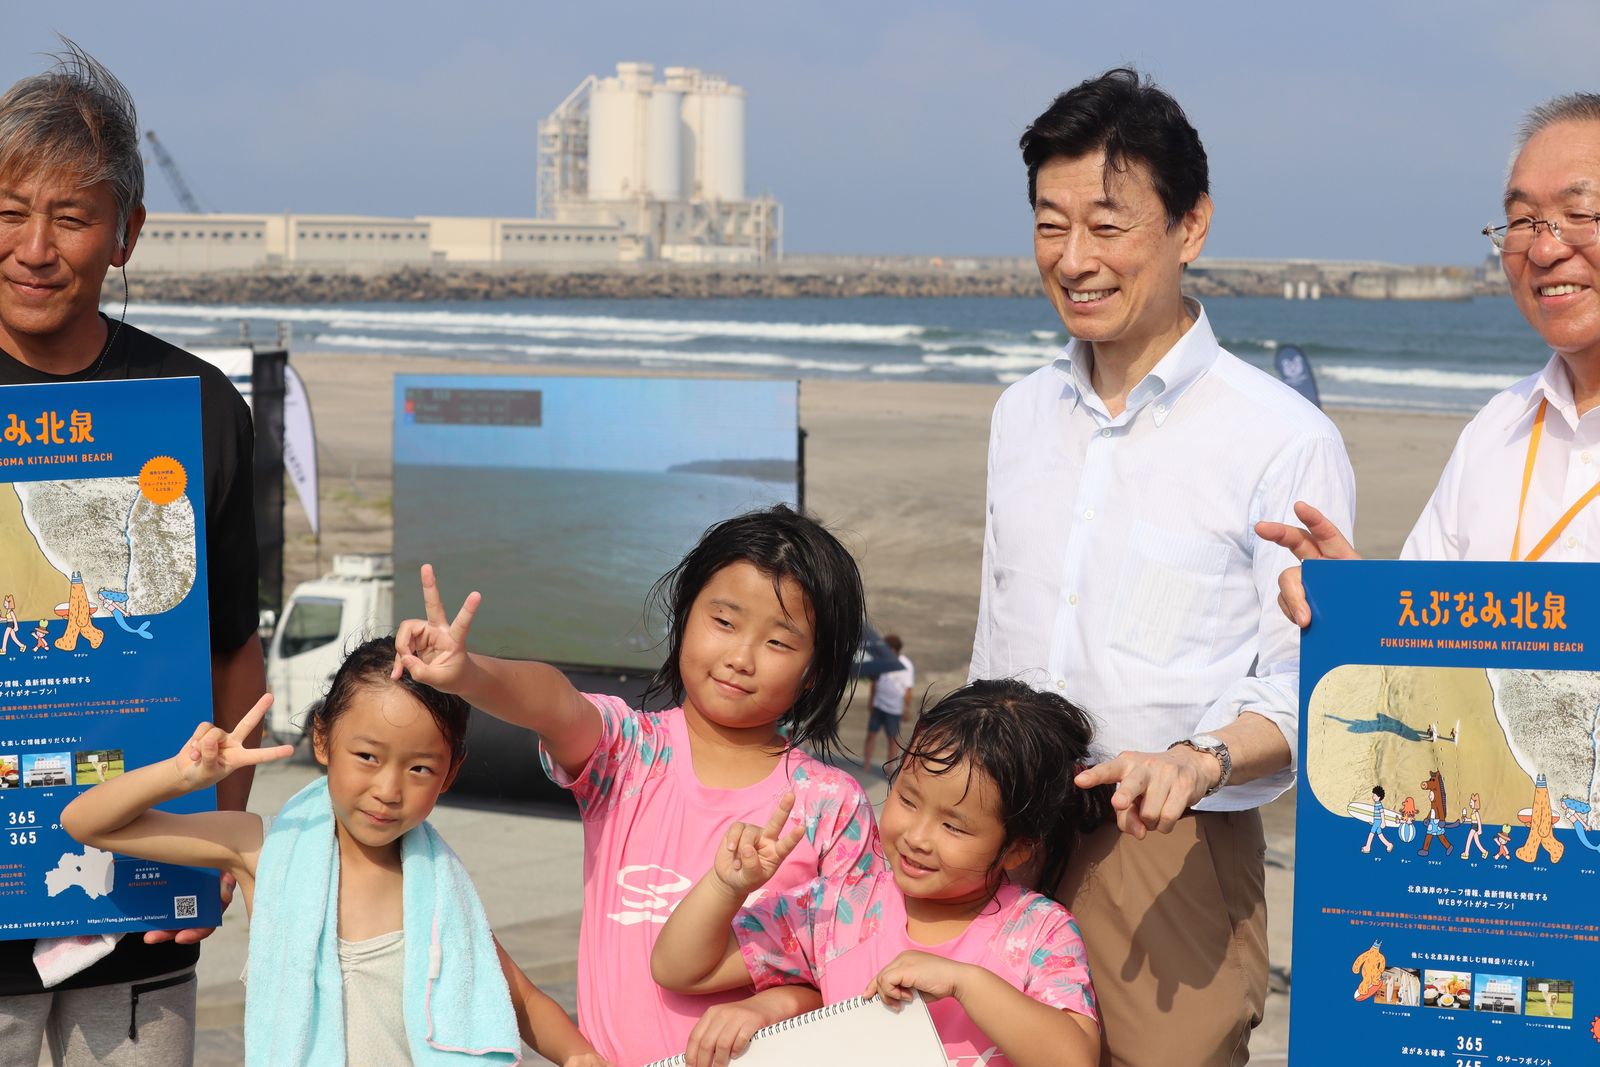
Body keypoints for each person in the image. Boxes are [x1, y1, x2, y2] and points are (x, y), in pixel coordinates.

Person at [968, 68, 1356, 1066]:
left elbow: (1313, 685)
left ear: (1191, 225)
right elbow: (994, 632)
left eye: (1107, 225)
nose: (1073, 259)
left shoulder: (1282, 437)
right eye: (1050, 225)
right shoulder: (1018, 413)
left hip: (1169, 851)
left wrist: (1196, 760)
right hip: (1005, 829)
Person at [0, 42, 267, 1066]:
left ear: (127, 234)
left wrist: (218, 843)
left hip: (137, 921)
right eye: (10, 212)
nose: (34, 247)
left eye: (70, 216)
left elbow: (232, 645)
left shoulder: (198, 407)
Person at [393, 504, 873, 1067]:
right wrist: (470, 674)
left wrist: (776, 1004)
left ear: (815, 671)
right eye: (724, 622)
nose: (741, 658)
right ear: (684, 615)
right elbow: (555, 703)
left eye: (779, 643)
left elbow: (860, 975)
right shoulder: (630, 754)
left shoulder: (832, 806)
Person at [60, 636, 608, 1067]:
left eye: (420, 768)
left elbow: (523, 1001)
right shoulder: (264, 848)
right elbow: (85, 822)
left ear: (450, 773)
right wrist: (183, 775)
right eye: (367, 756)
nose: (388, 790)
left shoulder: (442, 896)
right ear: (322, 740)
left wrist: (579, 1056)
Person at [652, 678, 1104, 1067]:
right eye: (907, 799)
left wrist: (965, 982)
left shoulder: (1041, 931)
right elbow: (679, 969)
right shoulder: (837, 908)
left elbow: (1075, 1059)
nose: (917, 836)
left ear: (1018, 849)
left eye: (953, 825)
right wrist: (726, 887)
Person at [1264, 93, 1600, 607]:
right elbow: (1430, 638)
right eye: (1522, 221)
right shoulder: (1495, 430)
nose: (1544, 248)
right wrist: (1361, 604)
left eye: (1577, 214)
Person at [862, 632, 914, 773]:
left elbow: (908, 690)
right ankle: (866, 765)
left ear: (893, 650)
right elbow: (874, 682)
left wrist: (906, 709)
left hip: (894, 709)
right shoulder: (881, 660)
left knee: (892, 739)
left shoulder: (906, 665)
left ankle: (890, 767)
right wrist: (871, 700)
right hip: (879, 705)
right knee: (871, 734)